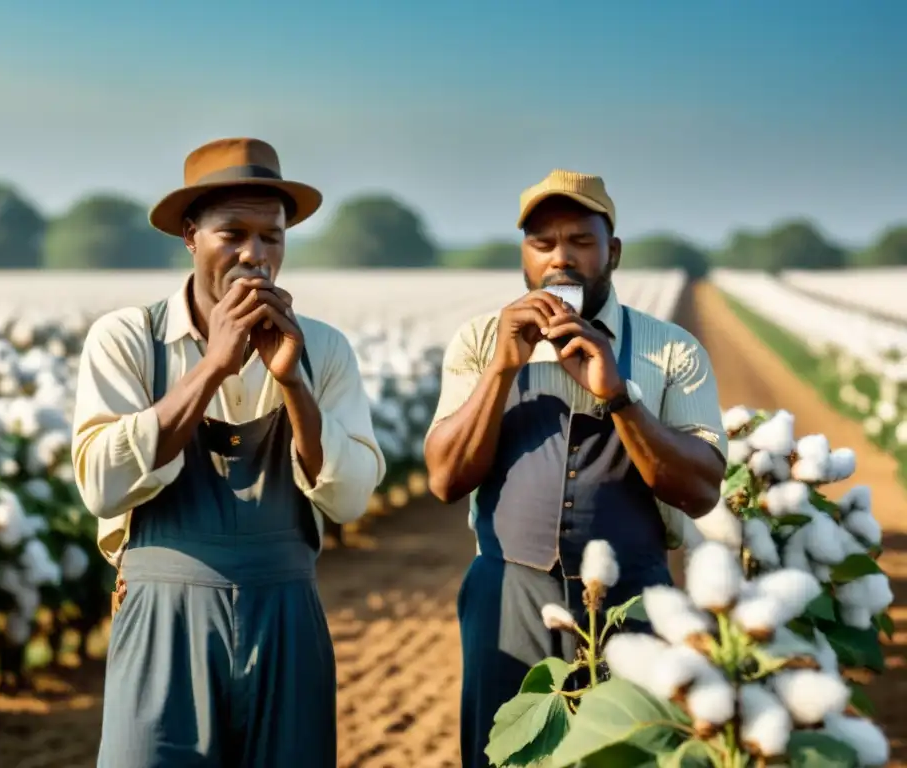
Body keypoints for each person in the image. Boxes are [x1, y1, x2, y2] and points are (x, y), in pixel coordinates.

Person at [70, 137, 386, 767]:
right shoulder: (130, 340)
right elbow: (102, 485)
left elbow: (349, 500)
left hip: (286, 616)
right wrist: (212, 367)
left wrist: (293, 383)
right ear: (190, 237)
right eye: (232, 233)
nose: (255, 255)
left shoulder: (321, 350)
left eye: (272, 236)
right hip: (163, 619)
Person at [423, 169, 728, 767]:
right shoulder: (482, 342)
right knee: (505, 753)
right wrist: (503, 369)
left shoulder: (670, 349)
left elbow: (700, 491)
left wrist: (618, 394)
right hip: (507, 591)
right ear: (525, 256)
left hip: (634, 597)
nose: (560, 259)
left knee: (627, 754)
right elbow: (444, 479)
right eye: (542, 243)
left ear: (611, 251)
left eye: (580, 242)